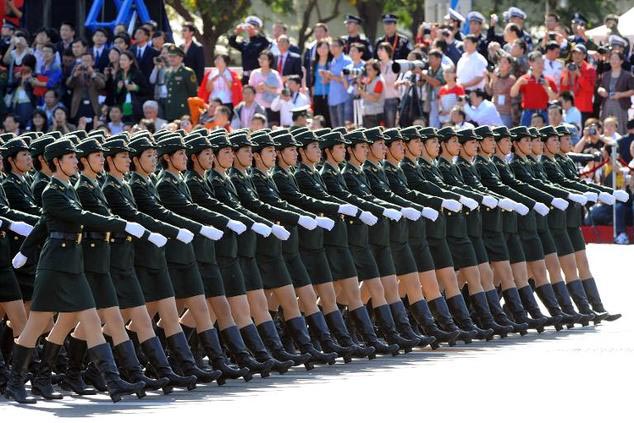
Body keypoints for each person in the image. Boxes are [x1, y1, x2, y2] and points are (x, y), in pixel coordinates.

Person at [6, 138, 150, 404]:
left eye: (75, 157)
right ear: (57, 162)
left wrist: (25, 250)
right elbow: (78, 217)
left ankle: (111, 380)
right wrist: (121, 224)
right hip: (55, 266)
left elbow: (42, 223)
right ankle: (17, 382)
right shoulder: (52, 191)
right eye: (70, 158)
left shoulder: (68, 187)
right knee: (35, 325)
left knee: (91, 320)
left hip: (73, 264)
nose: (75, 161)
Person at [510, 51, 558, 126]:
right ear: (530, 63)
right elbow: (512, 94)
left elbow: (555, 98)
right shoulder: (524, 79)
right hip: (528, 113)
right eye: (538, 62)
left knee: (545, 136)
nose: (541, 65)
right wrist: (518, 83)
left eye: (542, 62)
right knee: (525, 135)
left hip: (543, 112)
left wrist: (547, 88)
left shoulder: (548, 80)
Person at [597, 51, 634, 135]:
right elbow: (600, 87)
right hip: (607, 104)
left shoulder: (627, 75)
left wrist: (620, 95)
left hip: (620, 105)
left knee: (620, 127)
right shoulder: (605, 74)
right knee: (606, 126)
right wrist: (600, 90)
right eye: (611, 59)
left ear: (621, 61)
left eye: (616, 59)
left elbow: (632, 90)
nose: (613, 61)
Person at [228, 16, 271, 85]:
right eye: (249, 26)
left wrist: (256, 33)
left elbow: (267, 43)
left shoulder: (262, 41)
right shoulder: (245, 43)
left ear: (258, 28)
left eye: (254, 26)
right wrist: (236, 33)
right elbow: (232, 43)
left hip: (258, 76)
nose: (250, 28)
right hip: (246, 76)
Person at [66, 52, 105, 125]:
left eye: (88, 61)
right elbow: (68, 84)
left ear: (93, 62)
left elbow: (102, 85)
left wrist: (92, 74)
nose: (85, 63)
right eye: (83, 61)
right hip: (79, 105)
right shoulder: (76, 73)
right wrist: (75, 75)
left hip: (92, 105)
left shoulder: (97, 74)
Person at [560, 44, 596, 124]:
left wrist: (579, 74)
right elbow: (563, 88)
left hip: (583, 107)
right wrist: (566, 73)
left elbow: (590, 88)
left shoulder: (589, 69)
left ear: (584, 55)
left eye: (579, 54)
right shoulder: (568, 67)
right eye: (574, 53)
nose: (577, 56)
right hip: (569, 107)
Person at [113, 51, 151, 123]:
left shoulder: (137, 74)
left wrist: (136, 88)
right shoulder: (118, 75)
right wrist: (118, 89)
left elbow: (147, 91)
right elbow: (114, 95)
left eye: (124, 60)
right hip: (122, 109)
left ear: (131, 61)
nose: (121, 62)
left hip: (136, 108)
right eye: (120, 60)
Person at [164, 45, 198, 122]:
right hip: (170, 111)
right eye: (170, 56)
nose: (171, 59)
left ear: (181, 58)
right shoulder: (167, 73)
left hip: (183, 111)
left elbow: (193, 93)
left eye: (174, 57)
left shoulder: (188, 72)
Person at [248, 50, 283, 126]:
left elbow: (280, 90)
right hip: (257, 107)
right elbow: (250, 89)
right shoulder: (255, 73)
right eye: (260, 58)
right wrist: (257, 89)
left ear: (269, 61)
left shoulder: (275, 74)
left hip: (271, 107)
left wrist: (266, 88)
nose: (261, 60)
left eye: (264, 59)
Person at [324, 38, 352, 128]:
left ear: (341, 47)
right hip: (332, 99)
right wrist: (327, 77)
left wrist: (331, 76)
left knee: (343, 129)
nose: (332, 48)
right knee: (335, 129)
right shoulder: (333, 61)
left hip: (342, 98)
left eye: (335, 46)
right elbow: (334, 79)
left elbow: (347, 79)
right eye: (331, 46)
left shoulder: (347, 61)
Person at [486, 54, 516, 127]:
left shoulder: (511, 79)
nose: (501, 64)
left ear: (509, 65)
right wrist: (486, 79)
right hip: (494, 112)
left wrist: (494, 79)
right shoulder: (495, 77)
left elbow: (501, 90)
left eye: (504, 62)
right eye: (500, 62)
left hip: (505, 113)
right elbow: (490, 92)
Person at [309, 39, 332, 127]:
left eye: (325, 47)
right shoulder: (314, 63)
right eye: (320, 47)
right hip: (317, 95)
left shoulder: (331, 63)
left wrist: (328, 79)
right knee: (317, 119)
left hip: (328, 94)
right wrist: (312, 96)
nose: (322, 49)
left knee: (328, 118)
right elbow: (312, 81)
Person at [356, 59, 384, 128]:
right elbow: (358, 91)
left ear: (376, 71)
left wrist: (362, 92)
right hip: (366, 113)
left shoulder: (379, 81)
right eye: (366, 69)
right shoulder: (367, 79)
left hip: (375, 115)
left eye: (369, 70)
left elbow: (375, 98)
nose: (367, 72)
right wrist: (359, 82)